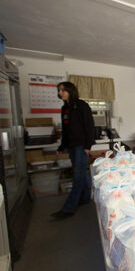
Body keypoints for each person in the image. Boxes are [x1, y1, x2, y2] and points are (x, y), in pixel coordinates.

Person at [51, 81, 95, 219]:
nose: (60, 93)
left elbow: (89, 127)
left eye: (63, 90)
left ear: (70, 91)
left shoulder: (81, 105)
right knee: (83, 173)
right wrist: (61, 146)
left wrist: (88, 146)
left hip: (81, 147)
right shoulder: (65, 109)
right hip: (71, 147)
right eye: (59, 90)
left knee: (78, 176)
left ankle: (69, 208)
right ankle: (85, 198)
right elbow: (66, 130)